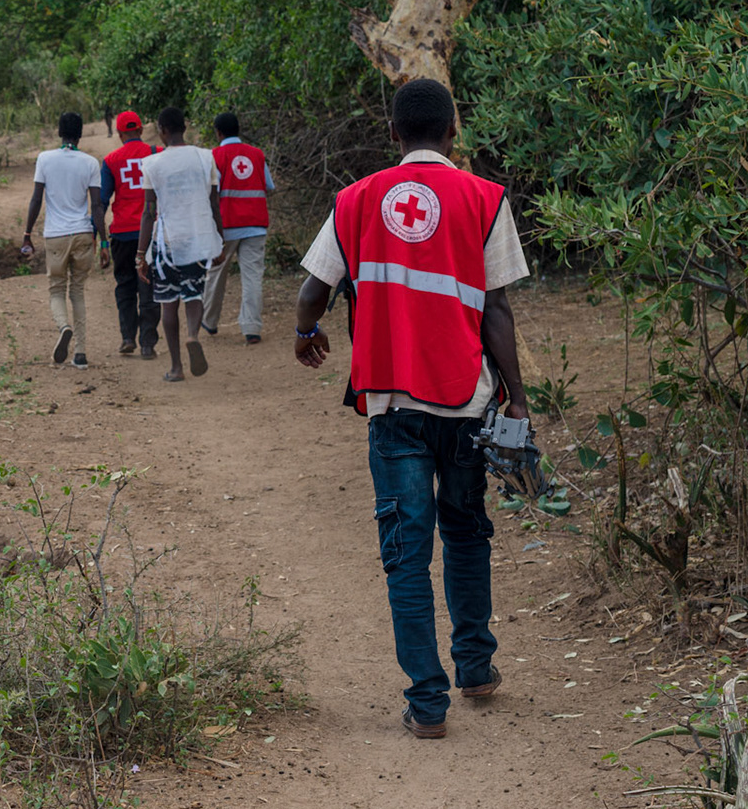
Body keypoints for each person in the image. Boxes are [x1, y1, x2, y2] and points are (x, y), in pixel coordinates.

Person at [292, 77, 530, 740]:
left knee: (406, 549)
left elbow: (313, 290)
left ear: (393, 133)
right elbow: (497, 309)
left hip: (392, 402)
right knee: (466, 531)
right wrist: (517, 397)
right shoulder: (485, 198)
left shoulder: (356, 200)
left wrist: (306, 332)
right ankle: (475, 667)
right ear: (454, 130)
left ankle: (427, 703)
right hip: (466, 400)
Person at [136, 107, 221, 382]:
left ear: (162, 130)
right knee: (193, 293)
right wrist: (218, 241)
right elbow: (214, 204)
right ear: (184, 127)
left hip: (167, 243)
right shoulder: (205, 157)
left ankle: (176, 368)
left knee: (168, 303)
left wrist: (141, 254)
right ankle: (193, 335)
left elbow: (149, 212)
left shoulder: (152, 164)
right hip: (197, 239)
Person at [22, 112, 106, 368]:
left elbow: (36, 199)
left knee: (57, 289)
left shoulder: (45, 159)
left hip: (56, 236)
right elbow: (97, 205)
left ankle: (63, 327)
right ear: (80, 134)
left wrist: (27, 234)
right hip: (82, 234)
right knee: (77, 292)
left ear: (59, 132)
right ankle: (80, 353)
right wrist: (104, 242)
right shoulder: (90, 163)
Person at [202, 112, 275, 344]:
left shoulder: (215, 156)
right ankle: (252, 328)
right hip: (256, 225)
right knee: (252, 277)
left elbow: (210, 193)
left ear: (218, 132)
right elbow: (269, 186)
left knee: (216, 274)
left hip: (226, 227)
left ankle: (209, 321)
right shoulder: (257, 154)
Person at [99, 110, 161, 357]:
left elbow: (102, 201)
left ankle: (127, 337)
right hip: (151, 233)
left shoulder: (110, 160)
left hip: (122, 234)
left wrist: (99, 236)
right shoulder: (157, 154)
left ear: (119, 134)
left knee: (125, 285)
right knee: (149, 287)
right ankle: (148, 343)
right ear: (141, 130)